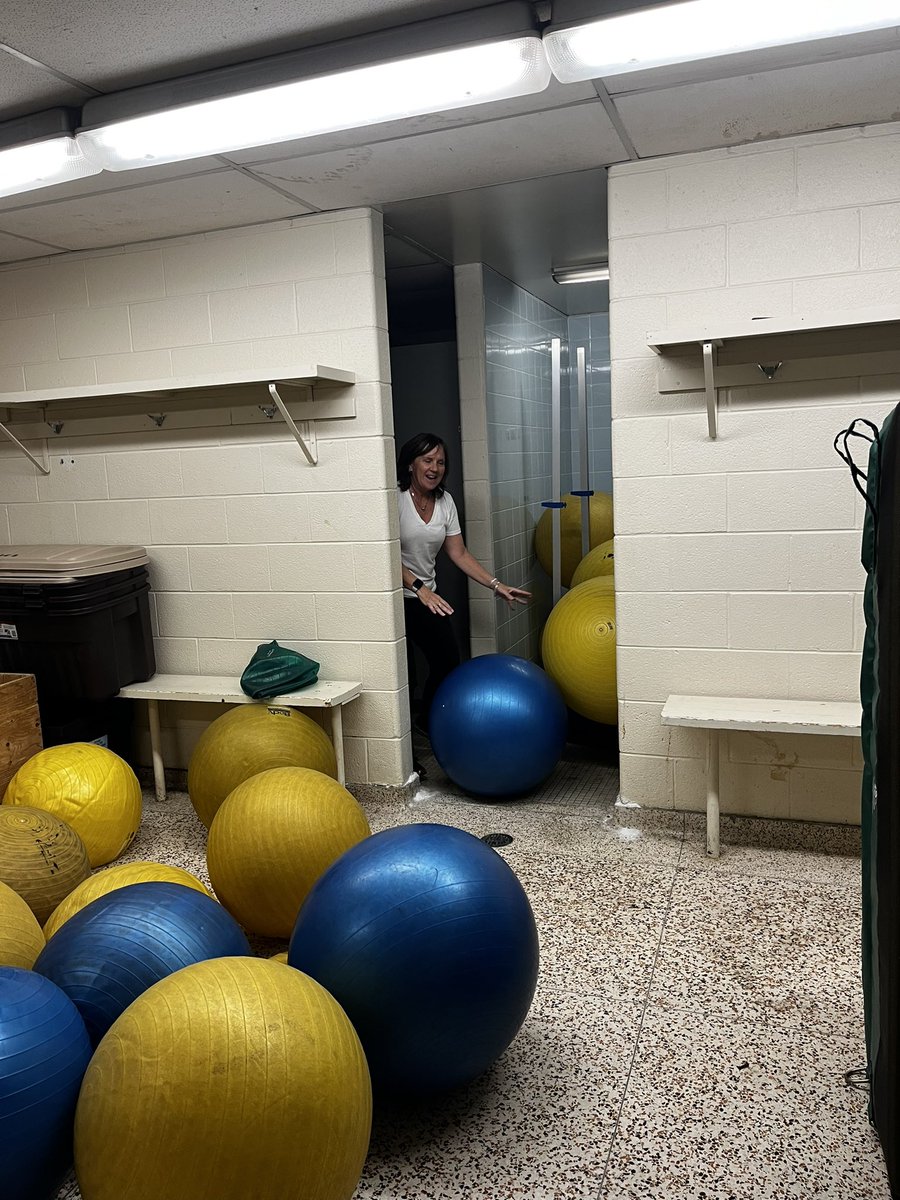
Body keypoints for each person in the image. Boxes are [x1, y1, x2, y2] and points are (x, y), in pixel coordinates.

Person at [397, 431, 530, 747]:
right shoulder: (394, 499)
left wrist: (496, 585)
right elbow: (383, 553)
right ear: (410, 465)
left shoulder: (445, 501)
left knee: (446, 662)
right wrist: (418, 588)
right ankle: (404, 754)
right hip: (395, 598)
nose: (435, 467)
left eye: (440, 462)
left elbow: (459, 553)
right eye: (427, 460)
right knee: (404, 676)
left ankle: (425, 722)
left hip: (426, 597)